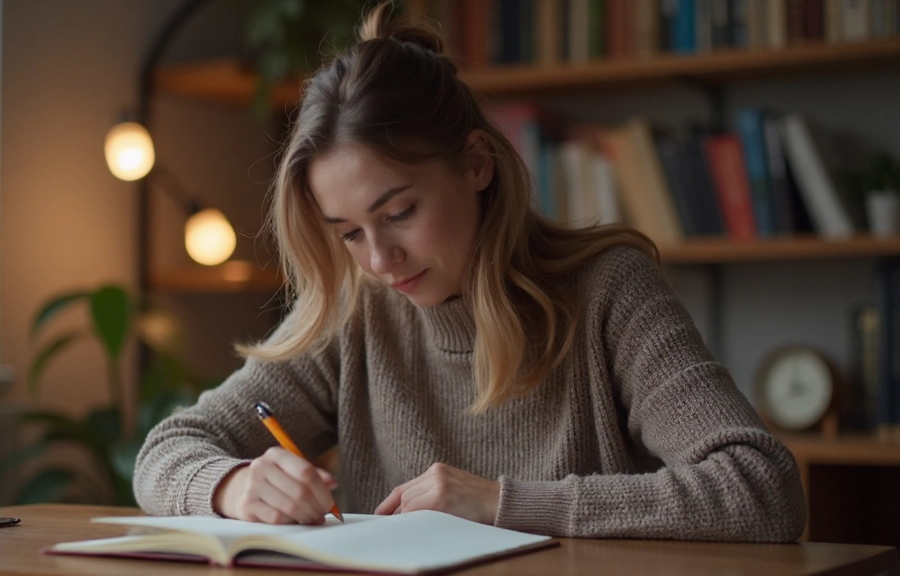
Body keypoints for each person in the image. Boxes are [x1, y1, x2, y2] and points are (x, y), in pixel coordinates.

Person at [133, 2, 806, 541]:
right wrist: (228, 485)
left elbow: (761, 489)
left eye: (399, 212)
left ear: (477, 163)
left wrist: (502, 503)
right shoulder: (358, 312)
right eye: (348, 234)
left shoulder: (610, 292)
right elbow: (167, 449)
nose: (378, 259)